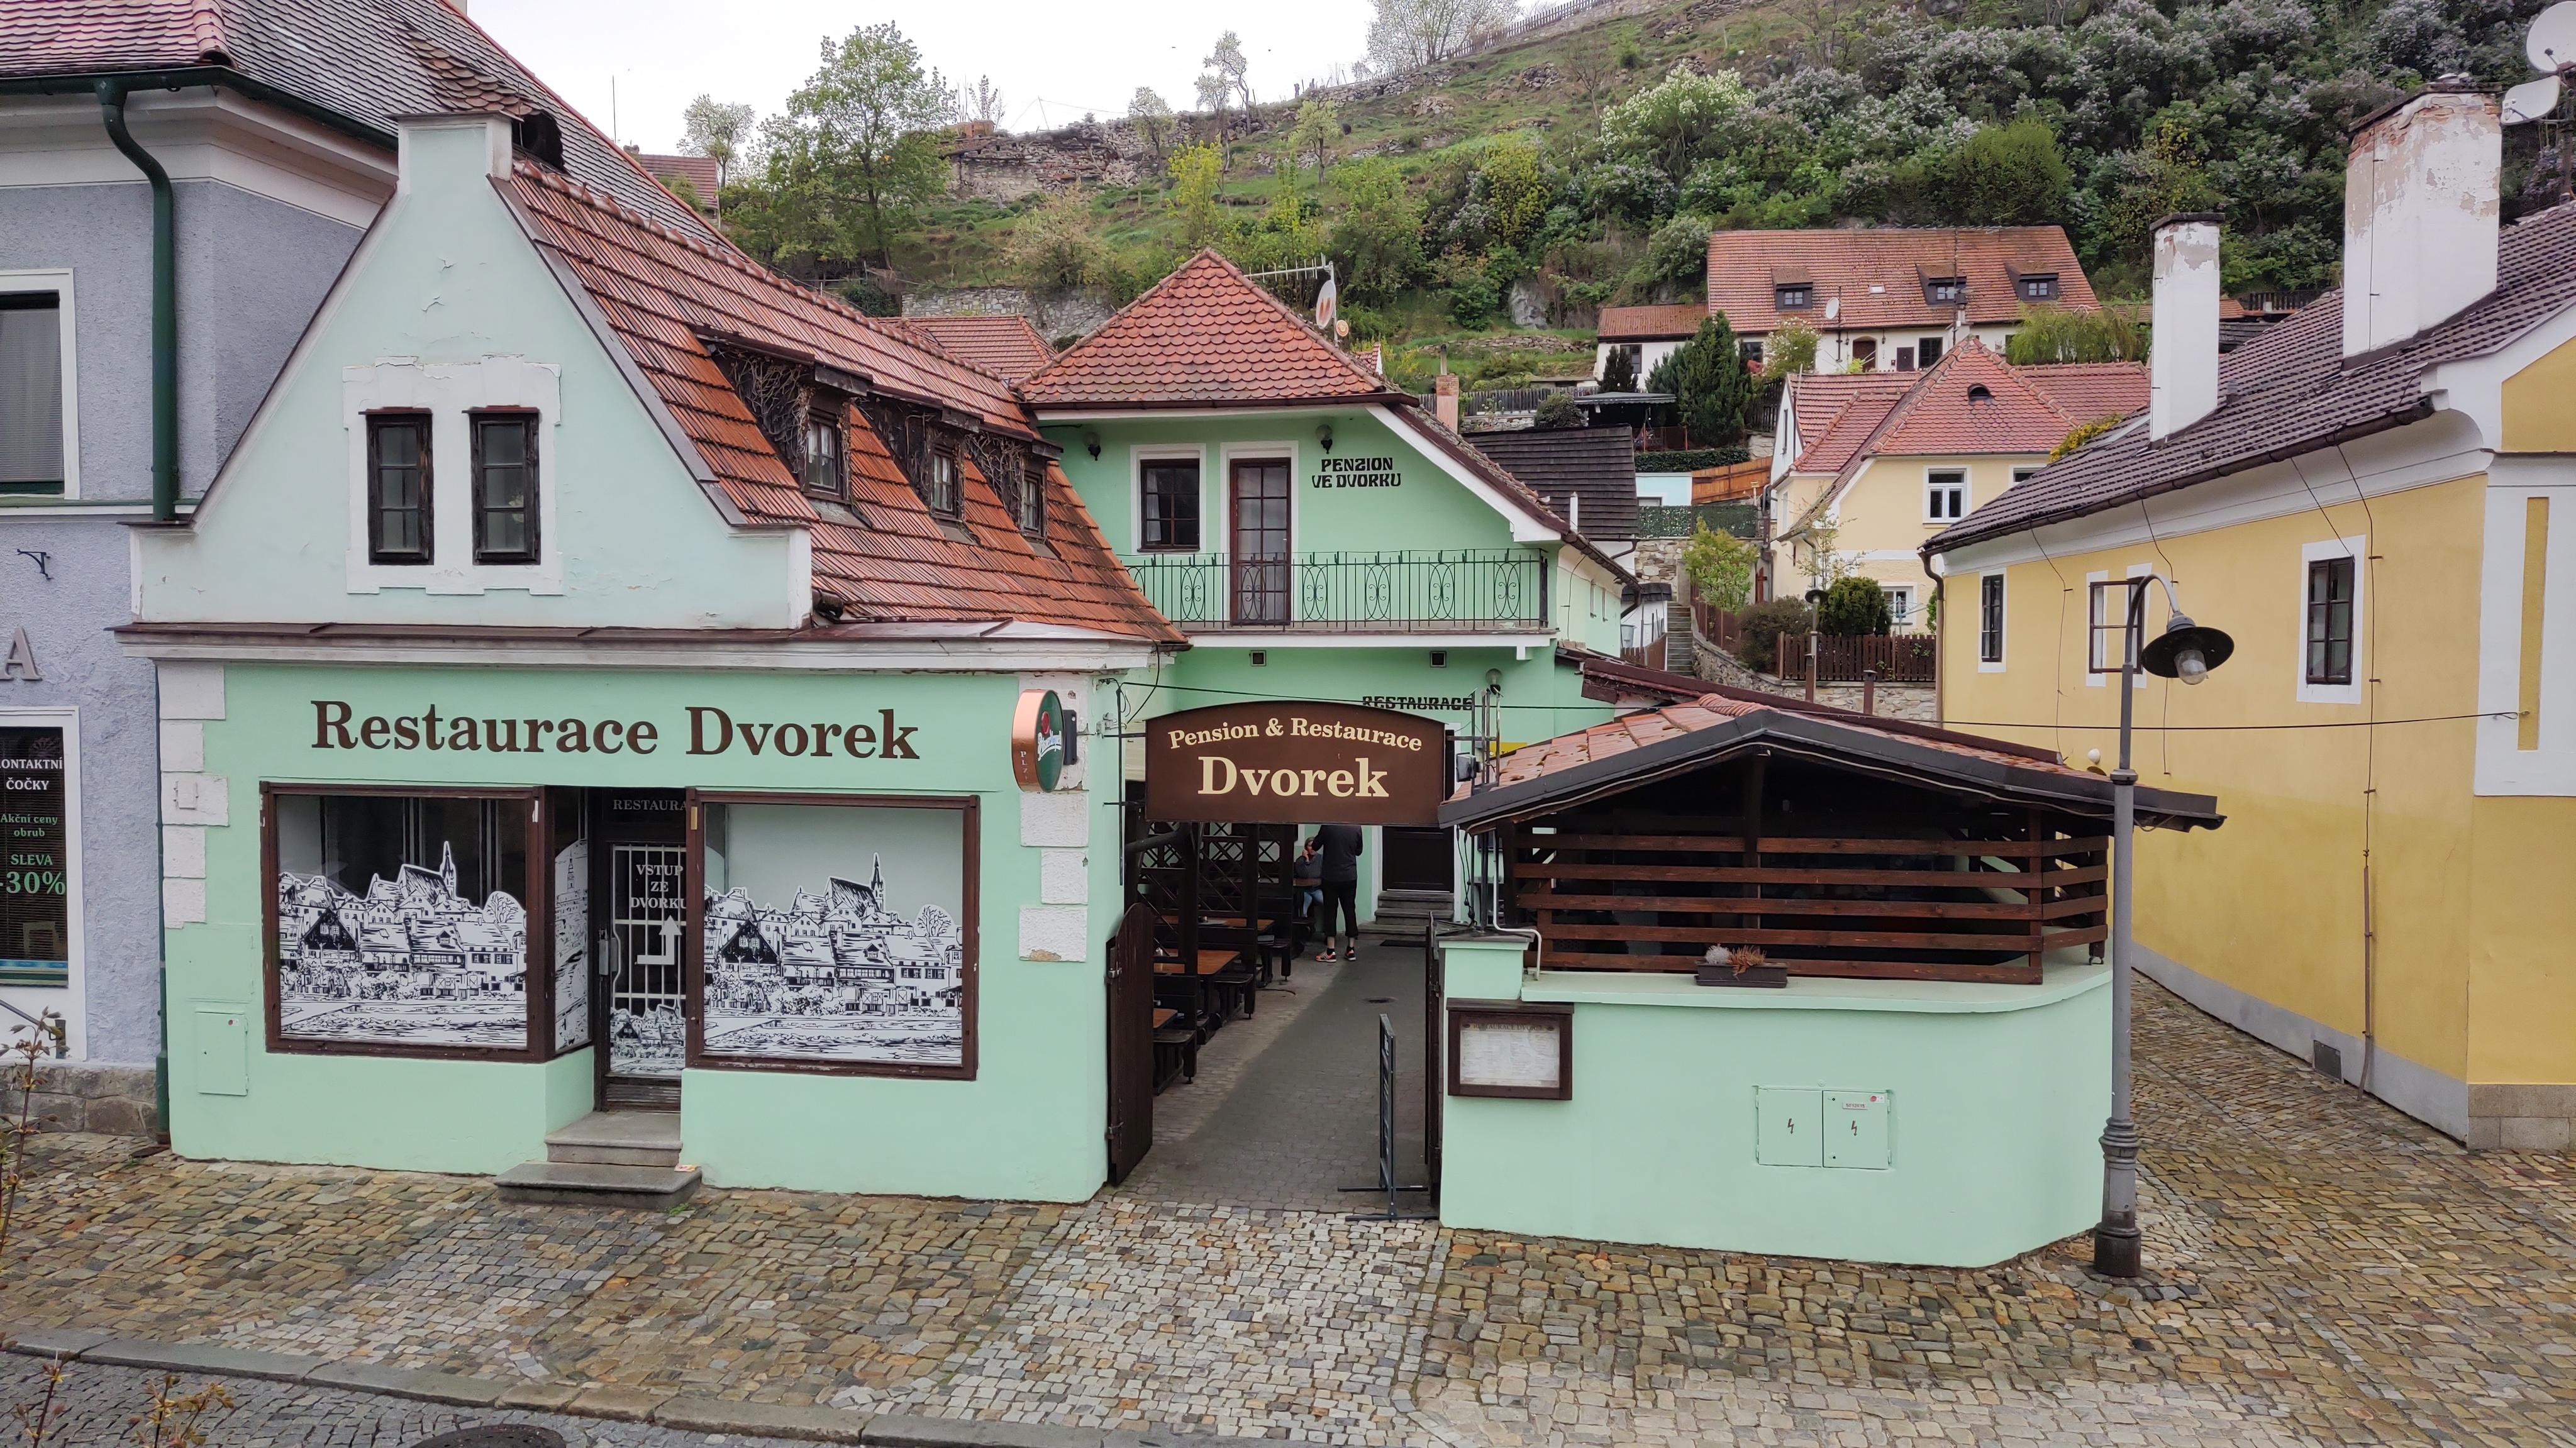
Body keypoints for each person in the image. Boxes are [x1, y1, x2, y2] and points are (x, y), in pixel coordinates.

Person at [1306, 822, 1362, 962]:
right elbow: (1358, 851)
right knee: (1350, 910)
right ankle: (1351, 949)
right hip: (1350, 875)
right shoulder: (1356, 827)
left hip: (1331, 876)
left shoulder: (1328, 826)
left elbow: (1315, 846)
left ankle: (1331, 951)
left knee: (1330, 911)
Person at [1292, 839, 1323, 947]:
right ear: (1306, 847)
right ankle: (1305, 933)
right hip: (1304, 891)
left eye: (1314, 846)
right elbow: (1304, 875)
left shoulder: (1321, 859)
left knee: (1327, 903)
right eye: (1310, 846)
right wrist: (1306, 860)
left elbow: (1320, 874)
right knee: (1303, 910)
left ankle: (1327, 932)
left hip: (1316, 889)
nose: (1312, 848)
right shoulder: (1300, 860)